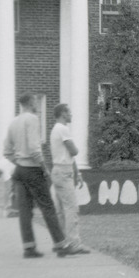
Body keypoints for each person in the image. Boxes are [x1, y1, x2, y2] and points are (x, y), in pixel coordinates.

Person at [3, 93, 82, 258]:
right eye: (35, 102)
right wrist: (44, 167)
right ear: (31, 103)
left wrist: (17, 160)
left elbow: (6, 151)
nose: (37, 106)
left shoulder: (13, 122)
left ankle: (29, 247)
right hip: (32, 168)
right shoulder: (31, 119)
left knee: (25, 210)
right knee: (48, 207)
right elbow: (34, 147)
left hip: (19, 169)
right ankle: (61, 244)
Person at [49, 104, 89, 254]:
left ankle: (60, 242)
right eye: (69, 112)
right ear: (63, 113)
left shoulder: (55, 129)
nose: (71, 115)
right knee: (71, 209)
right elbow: (74, 151)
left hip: (57, 170)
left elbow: (69, 156)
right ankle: (73, 244)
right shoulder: (63, 129)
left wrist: (77, 173)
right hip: (64, 172)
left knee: (60, 210)